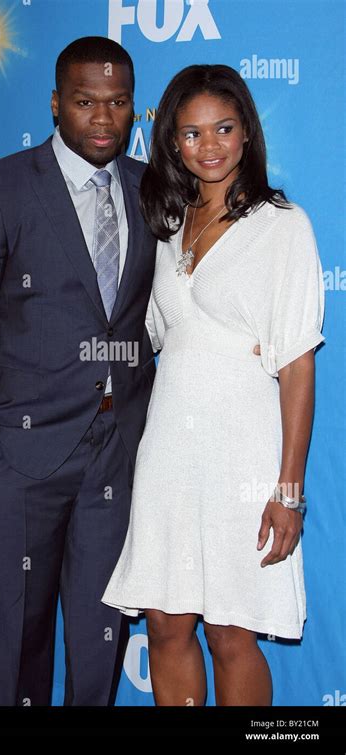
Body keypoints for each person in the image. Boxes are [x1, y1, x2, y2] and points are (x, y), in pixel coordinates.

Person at [0, 36, 158, 706]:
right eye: (86, 101)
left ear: (132, 109)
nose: (101, 117)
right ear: (57, 102)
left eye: (117, 103)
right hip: (19, 456)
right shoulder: (0, 185)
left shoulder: (150, 187)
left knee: (99, 639)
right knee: (14, 646)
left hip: (113, 458)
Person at [101, 64, 326, 706]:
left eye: (224, 128)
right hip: (170, 447)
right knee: (168, 625)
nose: (211, 146)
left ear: (247, 133)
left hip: (246, 452)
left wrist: (288, 492)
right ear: (172, 143)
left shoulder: (284, 227)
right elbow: (152, 335)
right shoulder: (167, 227)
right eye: (192, 133)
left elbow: (297, 367)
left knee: (231, 632)